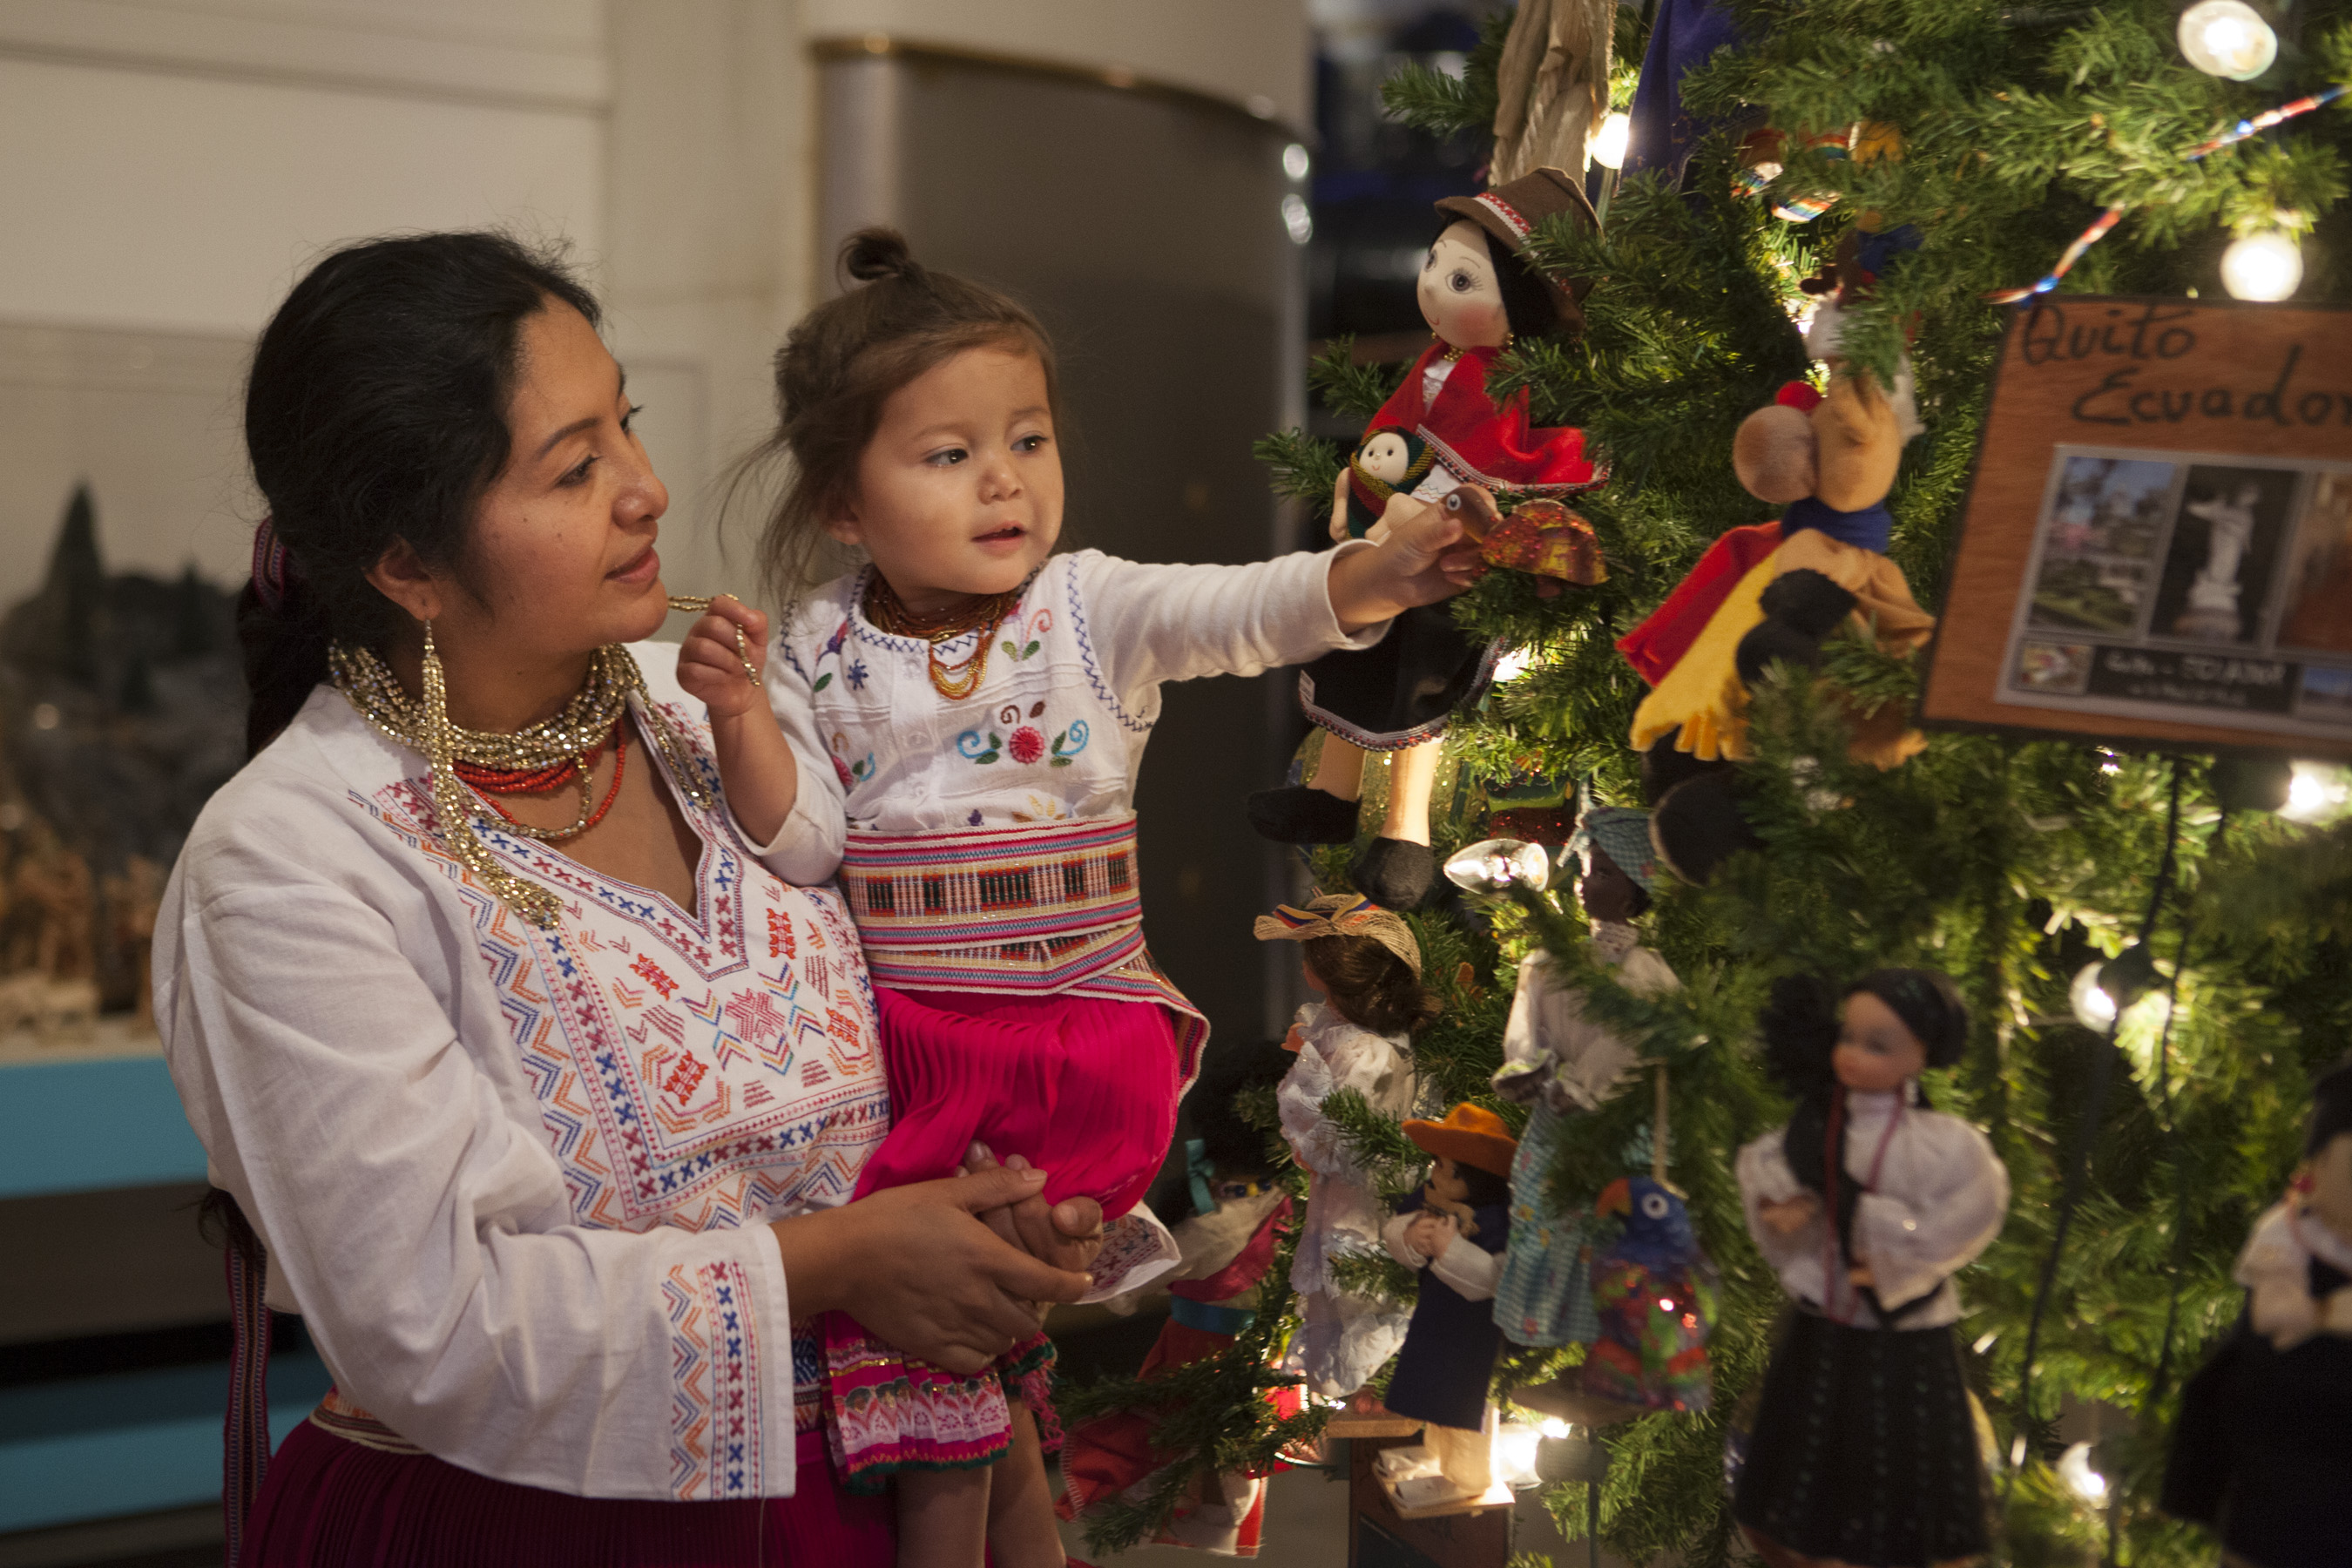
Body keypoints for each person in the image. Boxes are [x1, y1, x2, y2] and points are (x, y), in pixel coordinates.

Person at [155, 232, 1102, 1568]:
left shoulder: (717, 705)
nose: (649, 490)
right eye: (574, 466)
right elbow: (438, 1316)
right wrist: (836, 1262)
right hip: (520, 1527)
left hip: (892, 1485)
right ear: (408, 565)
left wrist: (998, 1200)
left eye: (628, 427)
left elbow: (947, 984)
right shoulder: (295, 858)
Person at [679, 226, 1484, 1567]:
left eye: (1029, 440)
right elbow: (805, 845)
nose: (1005, 481)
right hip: (921, 1050)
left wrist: (1372, 578)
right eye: (949, 455)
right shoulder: (815, 649)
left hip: (1076, 1032)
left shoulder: (1082, 606)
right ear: (839, 502)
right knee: (969, 1357)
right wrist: (735, 718)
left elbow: (1242, 610)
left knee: (927, 1342)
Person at [1732, 969, 2009, 1568]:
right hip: (1823, 1327)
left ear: (1922, 1054)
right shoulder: (1814, 1128)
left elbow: (1972, 1212)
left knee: (1898, 1467)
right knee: (1809, 1472)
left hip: (1904, 1341)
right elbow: (1769, 1173)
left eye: (1877, 1044)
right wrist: (1789, 1208)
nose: (1854, 1055)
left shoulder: (1946, 1145)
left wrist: (1884, 1241)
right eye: (1849, 1038)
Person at [1255, 893, 1432, 1400]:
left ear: (1322, 969)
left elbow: (1336, 1142)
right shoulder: (1358, 1040)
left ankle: (1361, 1390)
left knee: (1356, 1296)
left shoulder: (1363, 1050)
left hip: (1362, 1207)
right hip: (1349, 1199)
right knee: (1345, 1297)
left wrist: (1306, 1137)